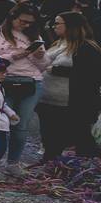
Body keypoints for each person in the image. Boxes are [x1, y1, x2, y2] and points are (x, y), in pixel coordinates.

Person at [0, 1, 48, 175]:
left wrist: (40, 55)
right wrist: (14, 55)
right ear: (12, 17)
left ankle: (13, 163)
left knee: (21, 125)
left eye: (30, 23)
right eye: (22, 21)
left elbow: (43, 66)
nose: (26, 25)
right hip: (1, 82)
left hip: (31, 82)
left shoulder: (34, 36)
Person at [36, 10, 100, 162]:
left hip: (70, 101)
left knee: (73, 136)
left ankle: (81, 167)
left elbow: (90, 73)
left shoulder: (86, 46)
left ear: (70, 26)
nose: (53, 27)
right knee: (49, 135)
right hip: (48, 98)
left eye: (57, 23)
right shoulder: (59, 43)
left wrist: (57, 69)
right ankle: (50, 162)